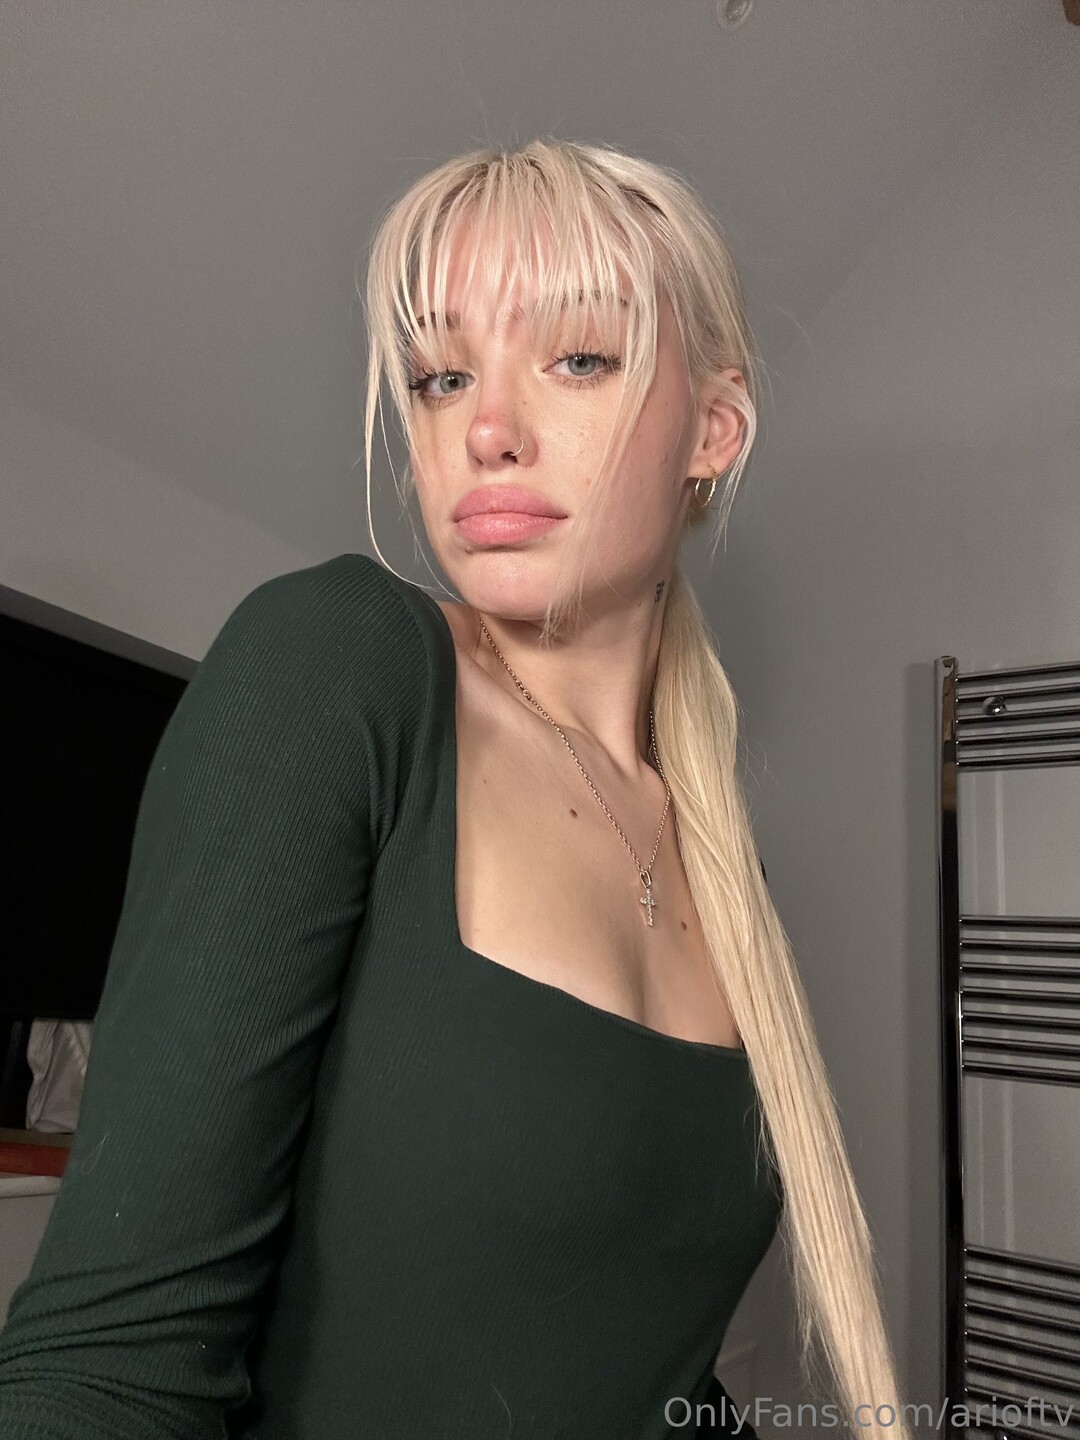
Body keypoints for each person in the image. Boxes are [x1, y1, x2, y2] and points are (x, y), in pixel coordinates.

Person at [0, 138, 909, 1439]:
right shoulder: (343, 668)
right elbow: (104, 1369)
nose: (484, 428)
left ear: (714, 429)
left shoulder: (722, 861)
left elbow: (642, 1366)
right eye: (441, 376)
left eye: (577, 358)